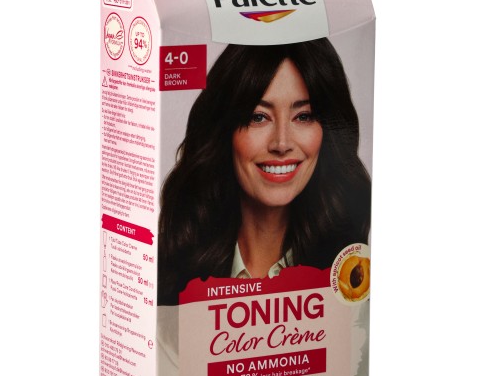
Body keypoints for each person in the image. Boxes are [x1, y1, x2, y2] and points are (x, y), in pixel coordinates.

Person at [158, 38, 371, 305]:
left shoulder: (352, 272)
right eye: (258, 117)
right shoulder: (173, 268)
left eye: (303, 116)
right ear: (224, 132)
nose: (281, 143)